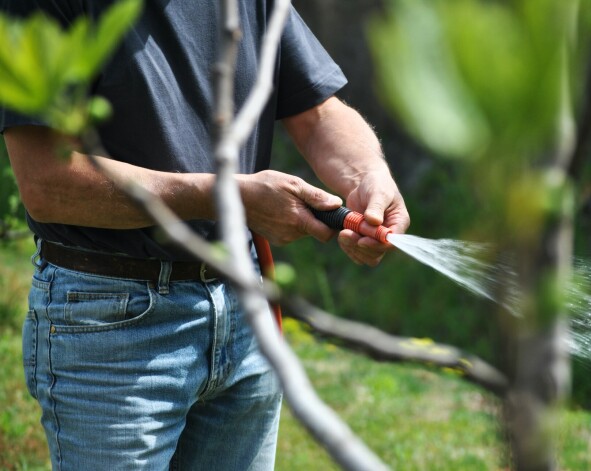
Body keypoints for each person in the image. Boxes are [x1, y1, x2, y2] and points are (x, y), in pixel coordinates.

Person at [1, 1, 409, 470]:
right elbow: (47, 183)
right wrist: (225, 196)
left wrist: (368, 176)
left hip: (243, 303)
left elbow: (317, 113)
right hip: (111, 324)